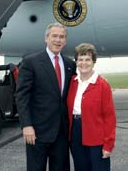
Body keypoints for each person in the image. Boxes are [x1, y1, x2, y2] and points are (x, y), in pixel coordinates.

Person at [15, 23, 76, 171]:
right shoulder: (31, 62)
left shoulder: (69, 64)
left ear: (65, 41)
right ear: (46, 38)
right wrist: (27, 125)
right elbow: (22, 96)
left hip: (61, 132)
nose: (58, 40)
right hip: (37, 132)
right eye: (54, 36)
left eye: (62, 37)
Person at [67, 43, 116, 171]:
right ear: (76, 62)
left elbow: (109, 117)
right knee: (81, 167)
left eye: (88, 59)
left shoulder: (102, 85)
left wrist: (108, 144)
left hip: (96, 135)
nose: (84, 63)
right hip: (75, 133)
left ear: (93, 62)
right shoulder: (72, 83)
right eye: (80, 59)